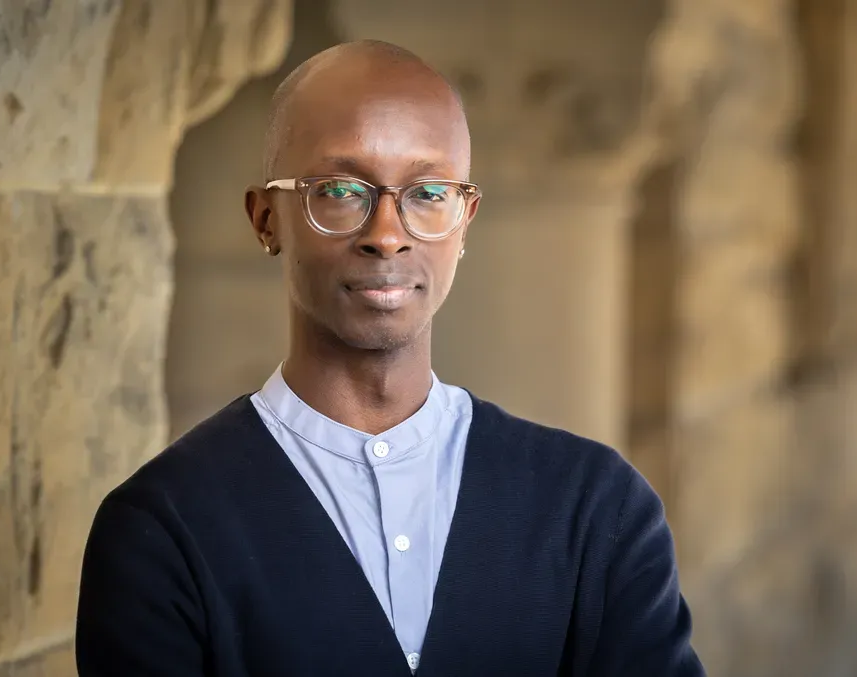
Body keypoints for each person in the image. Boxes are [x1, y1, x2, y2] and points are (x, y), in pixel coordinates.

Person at [75, 40, 705, 677]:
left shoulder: (596, 508)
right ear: (267, 219)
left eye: (428, 192)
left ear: (465, 222)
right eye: (342, 190)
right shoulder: (161, 530)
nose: (386, 233)